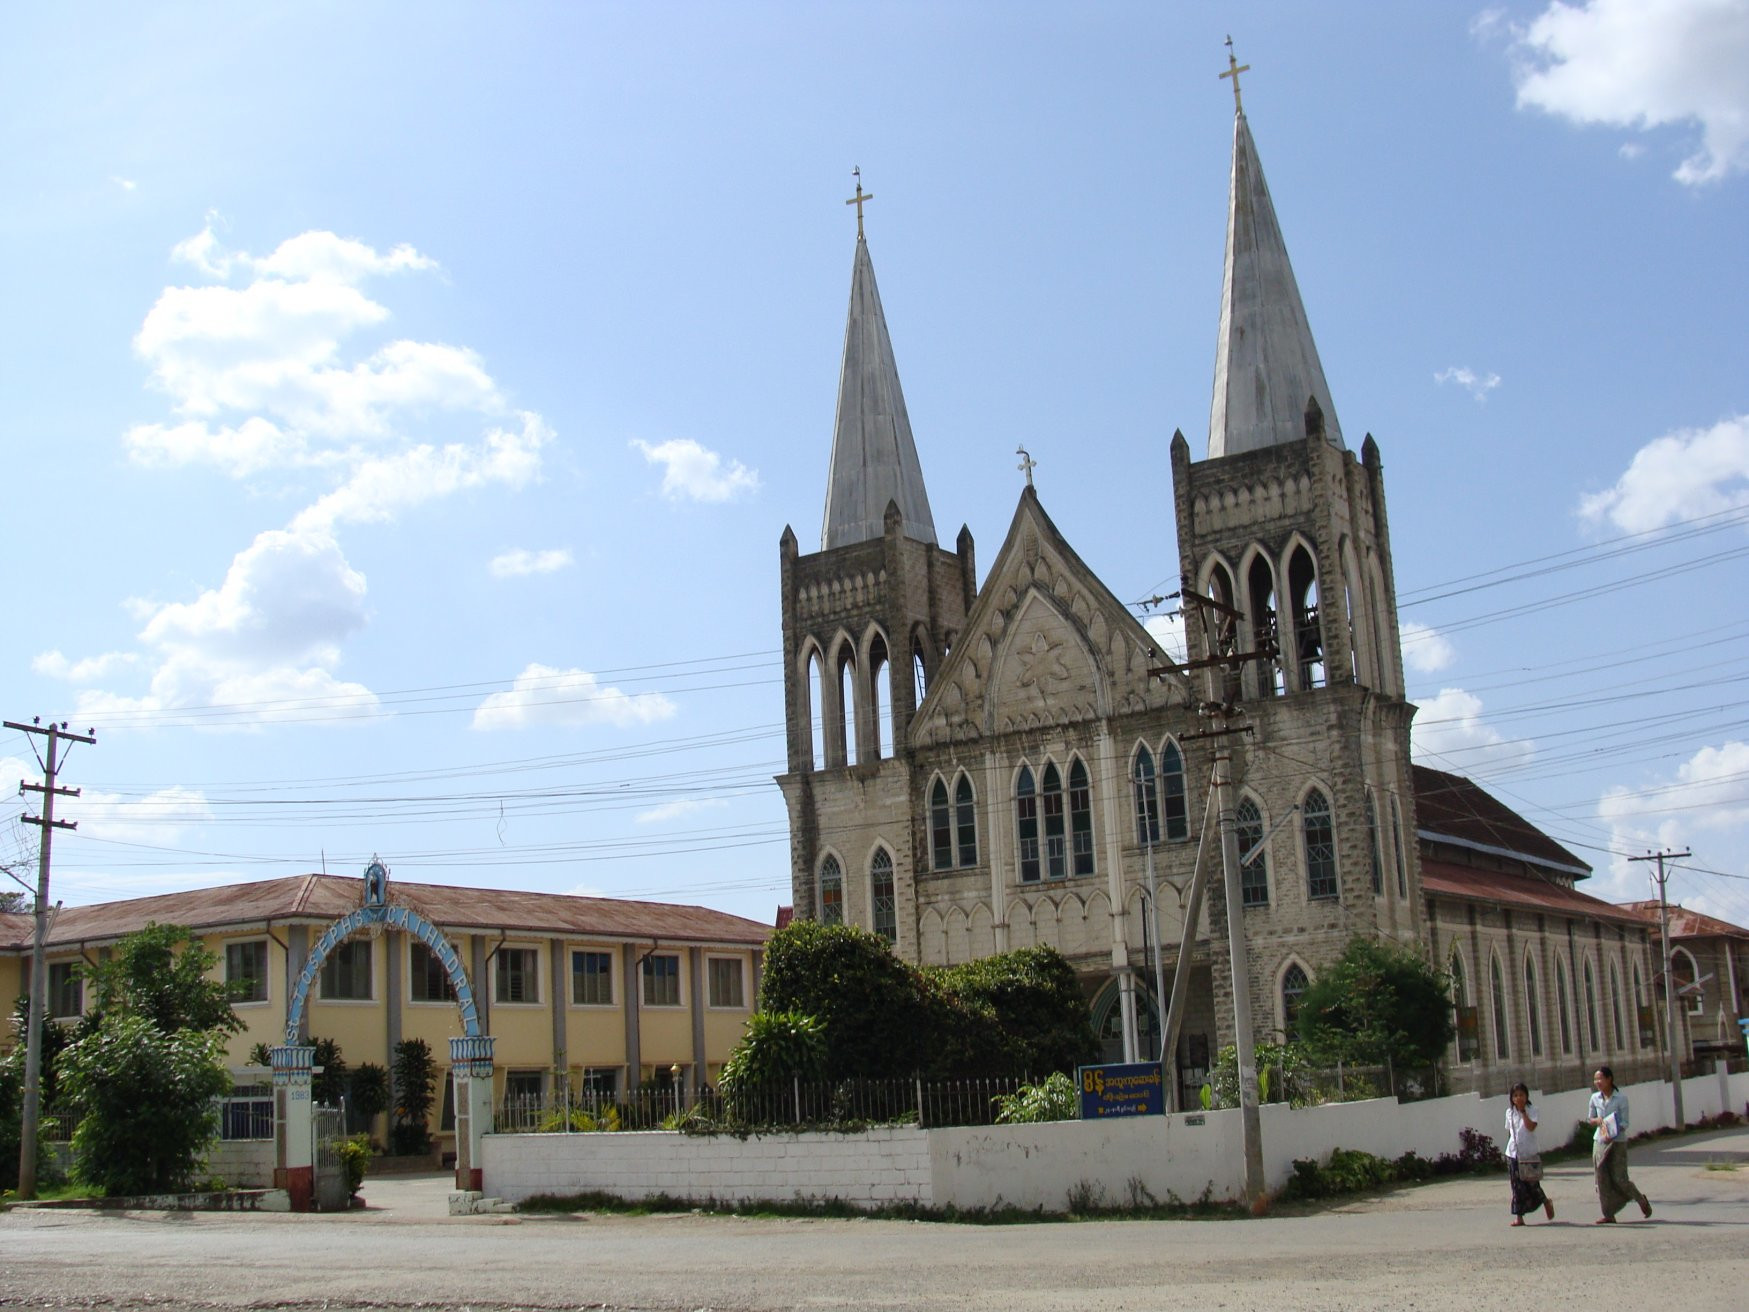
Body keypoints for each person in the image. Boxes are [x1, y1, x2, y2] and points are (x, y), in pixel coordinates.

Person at [1587, 1065, 1652, 1223]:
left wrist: (1612, 1130)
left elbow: (1625, 1122)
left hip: (1617, 1142)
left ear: (1609, 1079)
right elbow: (1590, 1119)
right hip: (1600, 1141)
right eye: (1596, 1079)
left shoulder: (1621, 1099)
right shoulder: (1595, 1098)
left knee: (1619, 1177)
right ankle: (1608, 1214)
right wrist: (1598, 1121)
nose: (1597, 1082)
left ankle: (1639, 1199)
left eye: (1600, 1078)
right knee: (1601, 1178)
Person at [1504, 1082, 1553, 1225]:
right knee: (1516, 1186)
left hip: (1529, 1153)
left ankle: (1545, 1202)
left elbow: (1531, 1127)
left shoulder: (1533, 1110)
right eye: (1515, 1095)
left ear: (1526, 1096)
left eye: (1521, 1095)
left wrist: (1523, 1111)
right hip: (1513, 1153)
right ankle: (1519, 1217)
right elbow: (1510, 1132)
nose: (1518, 1098)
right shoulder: (1509, 1112)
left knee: (1532, 1183)